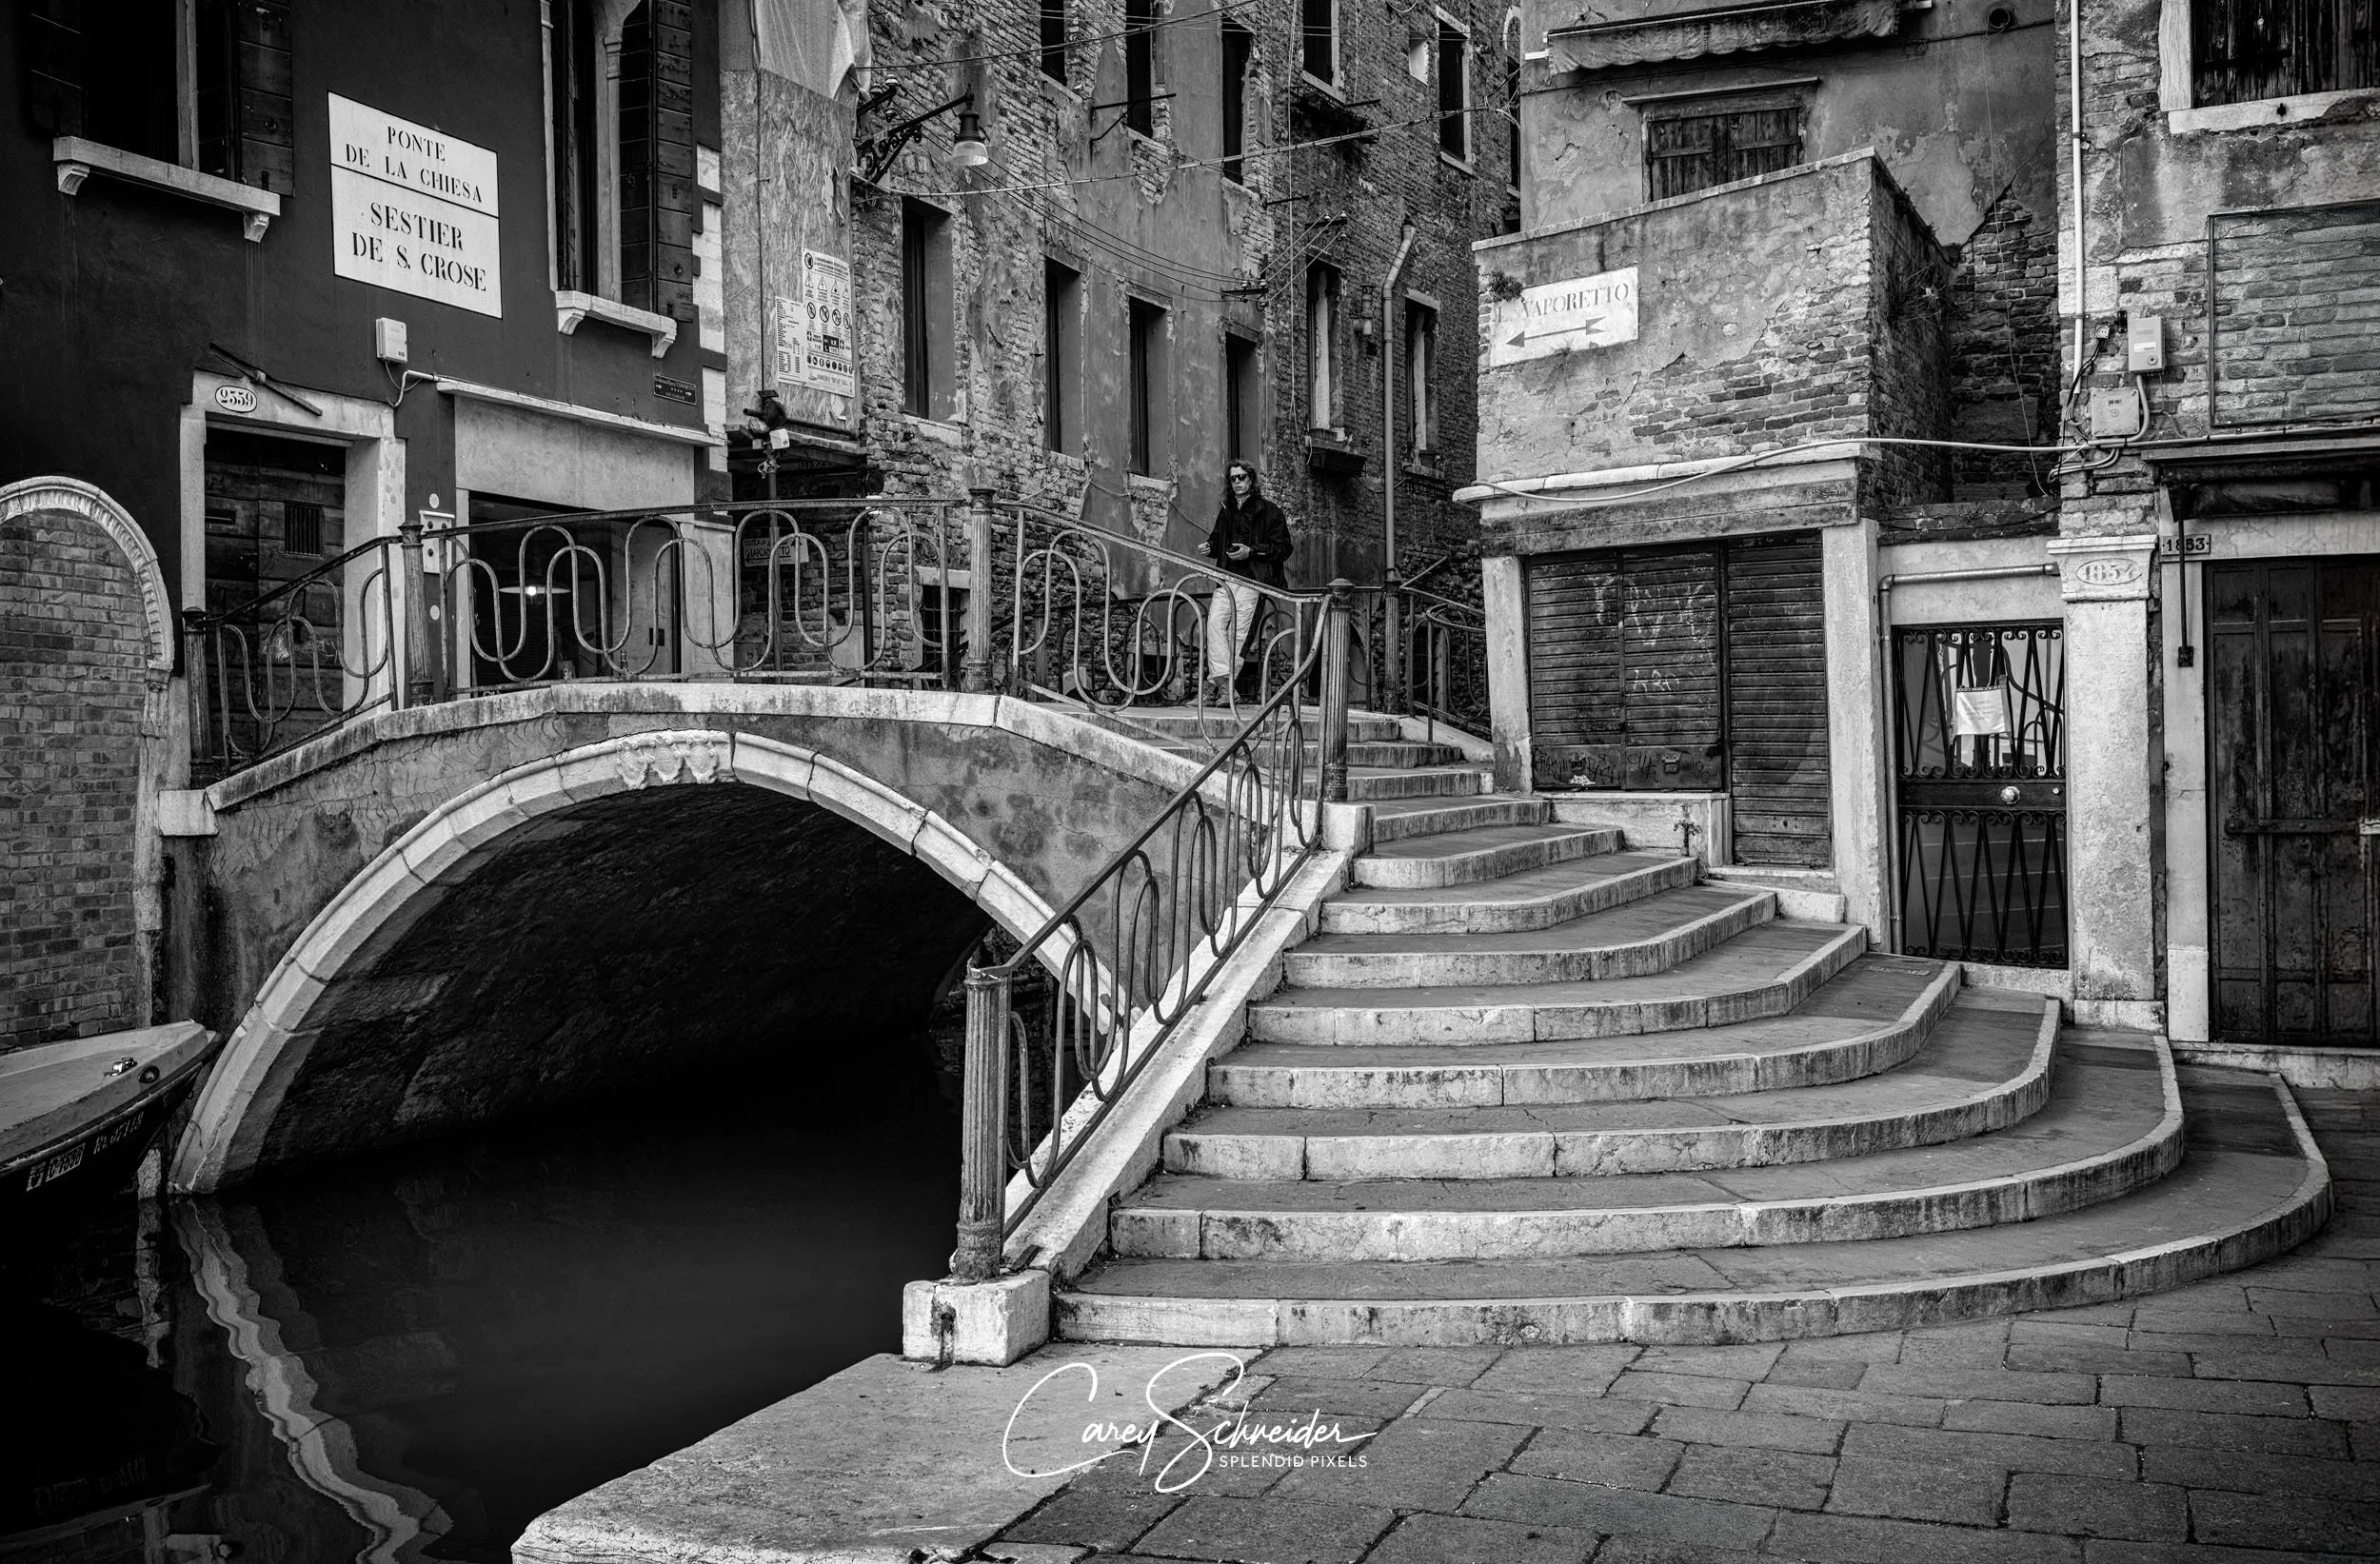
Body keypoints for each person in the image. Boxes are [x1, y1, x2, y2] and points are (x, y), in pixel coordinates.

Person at [1200, 461, 1293, 704]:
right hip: (1226, 579)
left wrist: (1250, 551)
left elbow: (1283, 548)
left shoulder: (1269, 511)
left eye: (1242, 477)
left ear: (1251, 480)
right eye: (1233, 478)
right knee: (1214, 624)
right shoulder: (1227, 509)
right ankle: (1225, 686)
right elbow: (1217, 540)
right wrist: (1210, 547)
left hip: (1252, 581)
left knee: (1238, 636)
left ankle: (1217, 687)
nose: (1238, 482)